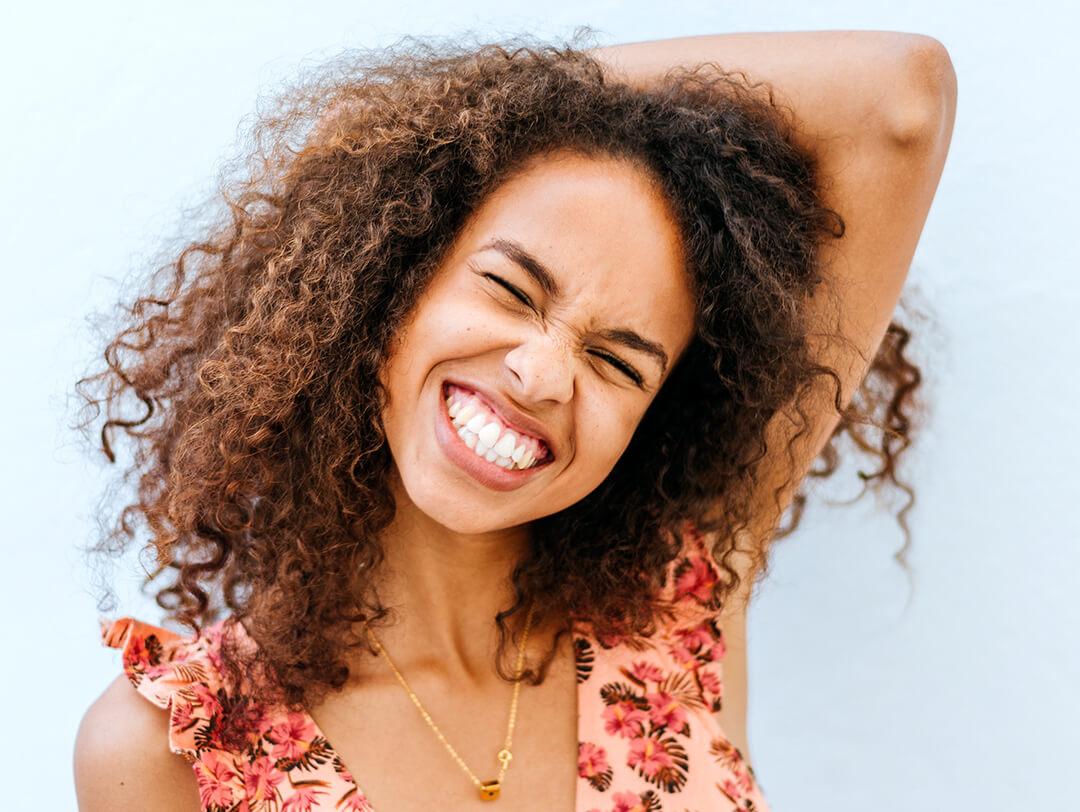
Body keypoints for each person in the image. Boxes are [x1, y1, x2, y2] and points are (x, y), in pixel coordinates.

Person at [72, 30, 956, 812]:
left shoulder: (680, 601)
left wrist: (520, 102)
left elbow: (900, 97)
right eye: (508, 288)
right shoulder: (178, 751)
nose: (541, 375)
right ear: (390, 282)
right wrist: (471, 116)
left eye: (616, 361)